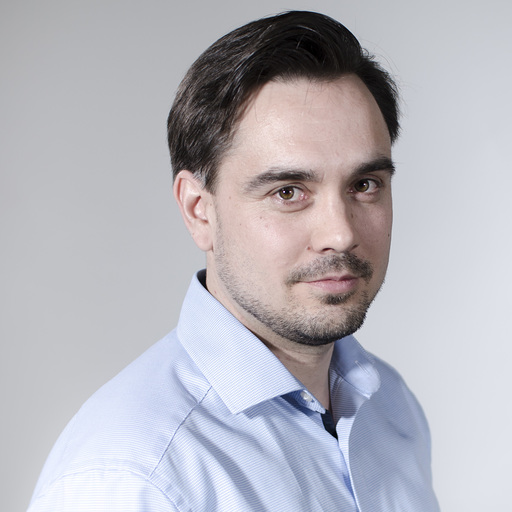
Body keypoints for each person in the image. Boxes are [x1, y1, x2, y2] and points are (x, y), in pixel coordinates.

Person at [28, 10, 440, 511]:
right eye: (288, 191)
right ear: (198, 210)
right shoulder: (134, 479)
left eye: (365, 184)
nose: (341, 233)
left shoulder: (391, 407)